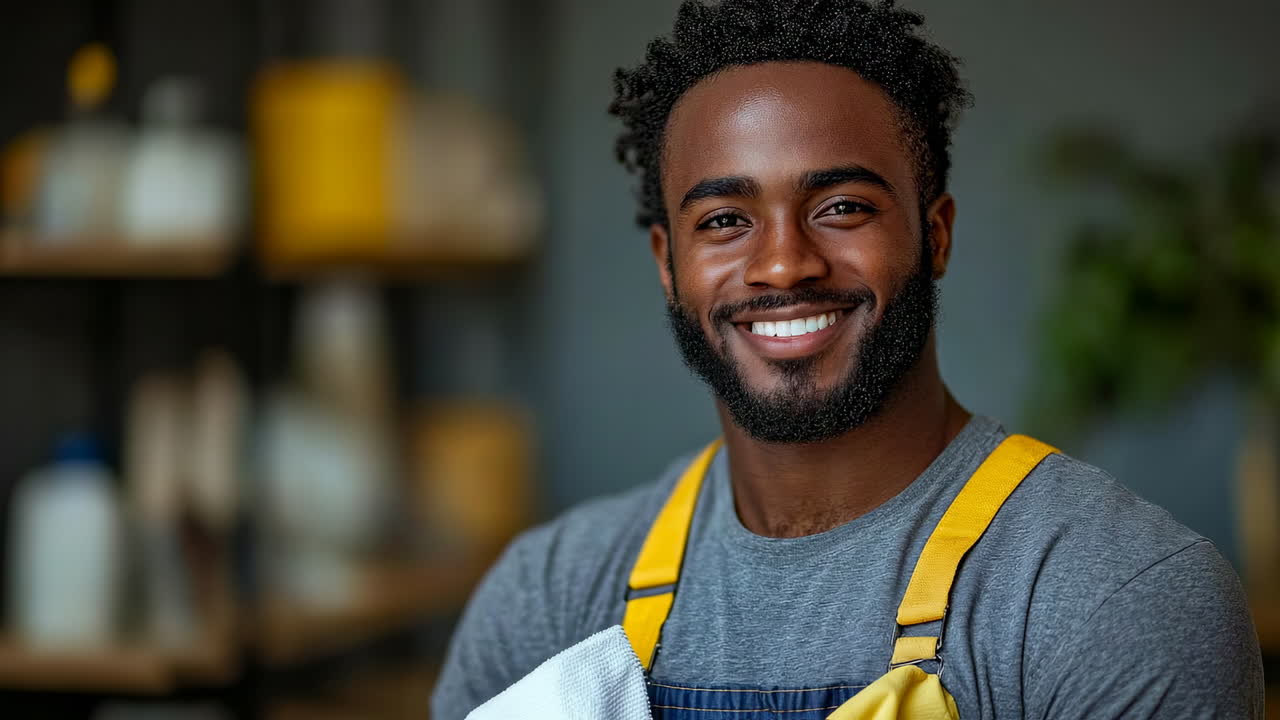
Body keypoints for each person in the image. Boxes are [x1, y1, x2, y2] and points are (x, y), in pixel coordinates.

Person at [431, 1, 1264, 717]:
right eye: (724, 220)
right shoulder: (548, 599)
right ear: (666, 263)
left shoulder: (1115, 595)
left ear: (934, 233)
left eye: (841, 206)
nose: (784, 263)